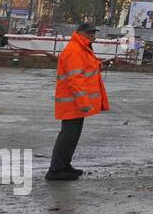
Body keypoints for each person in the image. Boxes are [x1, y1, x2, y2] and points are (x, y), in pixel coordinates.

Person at [47, 22, 110, 181]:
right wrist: (83, 102)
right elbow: (76, 78)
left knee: (71, 136)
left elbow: (86, 68)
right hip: (73, 102)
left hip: (74, 102)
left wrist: (100, 65)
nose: (93, 36)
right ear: (80, 33)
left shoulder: (81, 49)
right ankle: (55, 170)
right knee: (68, 136)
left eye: (94, 33)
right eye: (90, 33)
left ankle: (63, 165)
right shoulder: (75, 50)